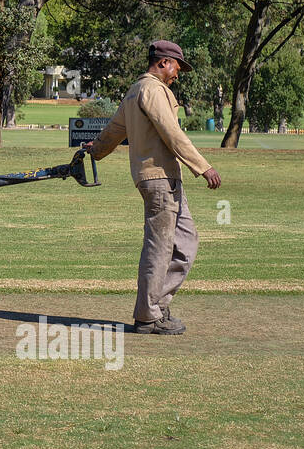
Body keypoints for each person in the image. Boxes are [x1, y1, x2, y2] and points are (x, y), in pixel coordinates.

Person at [82, 40, 223, 335]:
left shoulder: (135, 91)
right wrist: (203, 166)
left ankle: (156, 306)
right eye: (176, 67)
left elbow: (113, 132)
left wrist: (95, 150)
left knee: (185, 244)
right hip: (159, 180)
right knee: (160, 248)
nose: (178, 74)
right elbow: (172, 133)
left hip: (163, 179)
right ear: (162, 62)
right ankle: (148, 315)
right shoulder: (154, 90)